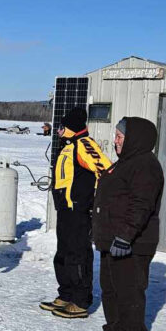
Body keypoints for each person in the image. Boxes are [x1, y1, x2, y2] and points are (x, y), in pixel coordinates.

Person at [92, 117, 164, 331]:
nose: (115, 141)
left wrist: (125, 236)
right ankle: (115, 328)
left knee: (129, 290)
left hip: (132, 243)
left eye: (120, 137)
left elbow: (141, 205)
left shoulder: (145, 166)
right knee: (110, 288)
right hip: (112, 240)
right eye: (116, 136)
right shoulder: (124, 163)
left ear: (134, 139)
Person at [40, 107, 111, 319]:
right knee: (63, 253)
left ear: (71, 127)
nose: (58, 131)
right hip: (65, 209)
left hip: (78, 210)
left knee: (78, 254)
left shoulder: (84, 144)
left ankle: (80, 301)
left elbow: (105, 170)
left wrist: (92, 200)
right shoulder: (69, 146)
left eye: (62, 127)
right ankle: (66, 294)